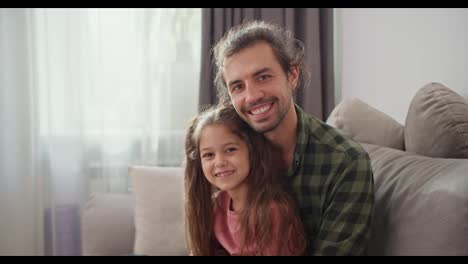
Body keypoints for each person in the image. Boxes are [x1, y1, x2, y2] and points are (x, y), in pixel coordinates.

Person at [211, 20, 375, 255]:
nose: (252, 96)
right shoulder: (224, 156)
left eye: (263, 77)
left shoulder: (346, 162)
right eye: (238, 86)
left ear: (292, 75)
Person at [184, 103, 306, 256]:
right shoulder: (217, 204)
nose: (220, 162)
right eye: (208, 155)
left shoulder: (273, 210)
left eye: (230, 150)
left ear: (252, 151)